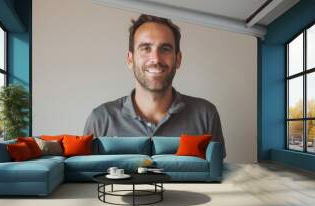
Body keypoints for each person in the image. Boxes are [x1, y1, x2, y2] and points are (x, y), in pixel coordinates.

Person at [83, 14, 225, 158]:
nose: (156, 59)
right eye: (145, 48)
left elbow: (216, 176)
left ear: (178, 59)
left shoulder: (205, 115)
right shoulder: (100, 119)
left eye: (165, 49)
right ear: (130, 59)